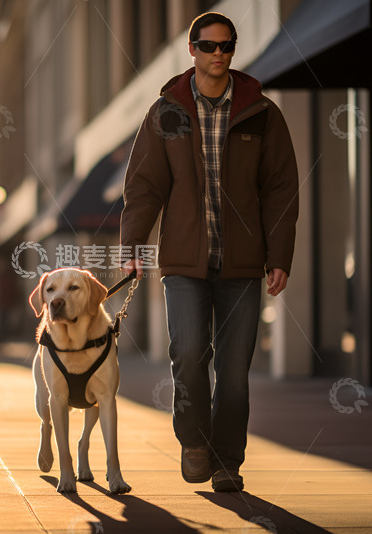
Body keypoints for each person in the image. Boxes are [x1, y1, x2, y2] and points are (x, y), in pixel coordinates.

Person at [120, 12, 298, 493]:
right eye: (208, 45)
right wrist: (132, 247)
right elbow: (144, 186)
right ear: (192, 50)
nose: (218, 54)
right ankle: (194, 441)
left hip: (242, 264)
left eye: (226, 46)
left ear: (233, 50)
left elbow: (281, 189)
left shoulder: (262, 113)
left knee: (234, 372)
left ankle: (227, 461)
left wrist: (279, 255)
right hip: (183, 263)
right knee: (189, 354)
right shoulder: (167, 113)